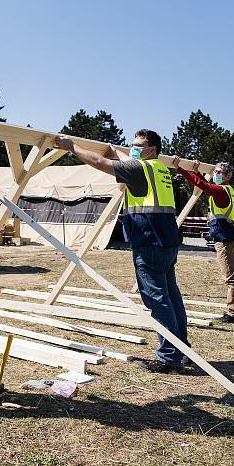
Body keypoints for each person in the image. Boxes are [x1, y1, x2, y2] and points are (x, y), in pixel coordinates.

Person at [53, 130, 190, 373]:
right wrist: (118, 153)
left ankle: (168, 356)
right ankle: (182, 349)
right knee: (170, 295)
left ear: (153, 148)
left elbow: (101, 162)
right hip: (166, 239)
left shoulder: (141, 168)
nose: (134, 148)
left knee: (157, 299)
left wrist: (71, 146)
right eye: (132, 145)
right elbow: (123, 170)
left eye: (139, 145)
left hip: (149, 240)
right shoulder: (160, 169)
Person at [173, 158, 234, 323]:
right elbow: (204, 184)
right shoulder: (226, 189)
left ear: (228, 176)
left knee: (230, 278)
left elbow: (203, 185)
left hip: (224, 239)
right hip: (229, 236)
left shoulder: (221, 191)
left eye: (220, 173)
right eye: (216, 171)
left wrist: (181, 170)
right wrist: (197, 171)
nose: (216, 174)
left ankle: (233, 313)